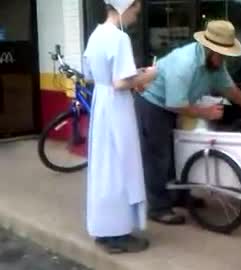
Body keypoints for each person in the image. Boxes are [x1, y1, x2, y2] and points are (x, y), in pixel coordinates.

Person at [134, 20, 241, 225]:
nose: (223, 59)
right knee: (158, 157)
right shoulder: (184, 63)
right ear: (208, 48)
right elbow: (176, 103)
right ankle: (158, 207)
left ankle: (179, 196)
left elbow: (229, 89)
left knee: (177, 154)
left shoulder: (215, 63)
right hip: (153, 104)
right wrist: (205, 113)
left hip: (176, 104)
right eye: (221, 54)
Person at [82, 0, 155, 254]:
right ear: (125, 7)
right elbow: (121, 83)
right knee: (121, 168)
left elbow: (91, 74)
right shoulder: (119, 38)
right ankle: (119, 234)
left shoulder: (96, 34)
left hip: (100, 104)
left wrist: (132, 75)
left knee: (104, 168)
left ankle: (104, 230)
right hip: (117, 107)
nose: (136, 15)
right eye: (135, 9)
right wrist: (148, 75)